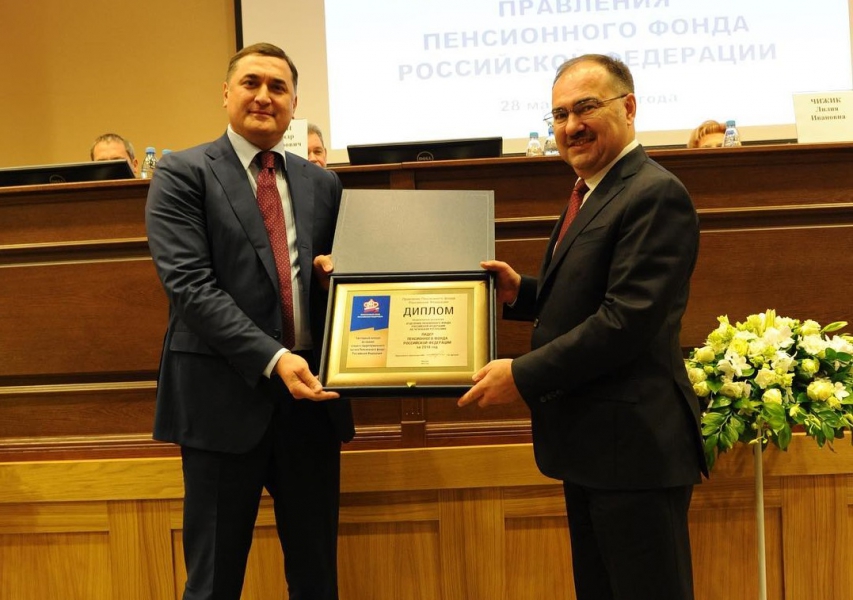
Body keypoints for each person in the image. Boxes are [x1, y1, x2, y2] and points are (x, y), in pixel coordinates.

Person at [458, 54, 706, 600]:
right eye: (560, 114)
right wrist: (523, 293)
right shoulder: (593, 190)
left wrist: (521, 375)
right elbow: (592, 297)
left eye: (586, 108)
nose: (571, 126)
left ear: (629, 107)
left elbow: (625, 321)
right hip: (594, 449)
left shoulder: (653, 193)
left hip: (634, 453)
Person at [145, 42, 353, 600]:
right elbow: (190, 287)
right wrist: (274, 357)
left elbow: (336, 283)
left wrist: (337, 280)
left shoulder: (322, 184)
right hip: (220, 403)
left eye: (278, 87)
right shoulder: (183, 173)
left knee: (316, 579)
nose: (264, 96)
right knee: (213, 583)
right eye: (251, 83)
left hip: (311, 403)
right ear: (226, 93)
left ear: (294, 103)